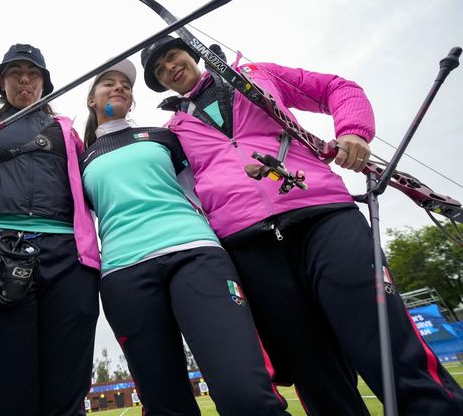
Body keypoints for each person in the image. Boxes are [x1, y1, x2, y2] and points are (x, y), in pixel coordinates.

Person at [141, 35, 463, 415]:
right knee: (313, 371)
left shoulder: (258, 75)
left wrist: (353, 131)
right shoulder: (173, 130)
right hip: (249, 246)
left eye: (171, 56)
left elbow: (336, 88)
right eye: (159, 70)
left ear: (191, 52)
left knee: (382, 341)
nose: (169, 68)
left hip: (322, 215)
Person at [80, 59, 289, 415]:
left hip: (195, 253)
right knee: (166, 406)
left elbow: (208, 183)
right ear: (91, 100)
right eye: (108, 84)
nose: (119, 89)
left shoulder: (165, 136)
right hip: (124, 274)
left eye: (125, 86)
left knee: (246, 394)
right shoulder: (80, 159)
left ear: (132, 101)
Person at [0, 43, 100, 416]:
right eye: (15, 73)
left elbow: (93, 186)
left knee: (68, 384)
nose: (24, 79)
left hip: (68, 258)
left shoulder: (66, 131)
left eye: (33, 73)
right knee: (5, 385)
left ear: (44, 83)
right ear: (2, 82)